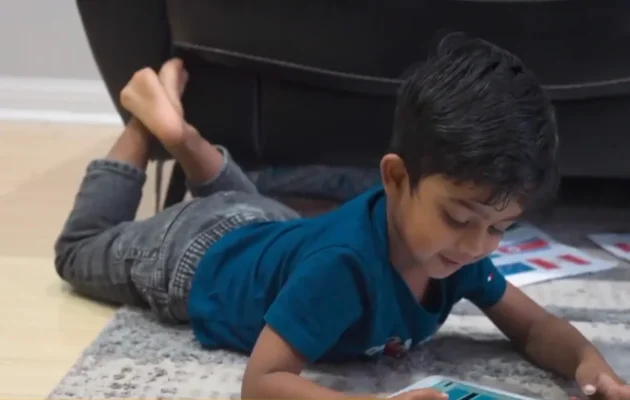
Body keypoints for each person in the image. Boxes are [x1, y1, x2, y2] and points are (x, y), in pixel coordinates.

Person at [54, 33, 629, 400]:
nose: (479, 243)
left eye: (501, 227)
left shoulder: (454, 254)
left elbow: (533, 327)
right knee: (78, 251)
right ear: (396, 178)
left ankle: (181, 133)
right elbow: (263, 383)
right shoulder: (342, 268)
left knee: (253, 213)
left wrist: (589, 363)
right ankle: (145, 127)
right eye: (461, 217)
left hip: (273, 229)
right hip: (193, 257)